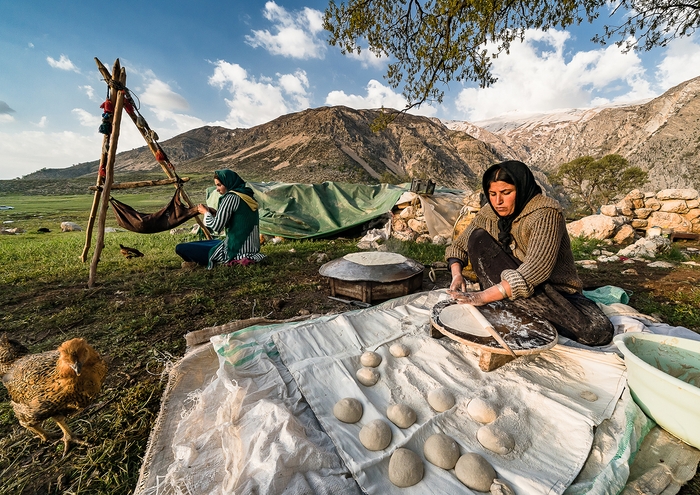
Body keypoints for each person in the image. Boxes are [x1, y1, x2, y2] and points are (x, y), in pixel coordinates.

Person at [445, 160, 613, 346]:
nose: (497, 201)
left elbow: (535, 270)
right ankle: (505, 302)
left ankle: (503, 302)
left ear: (522, 189)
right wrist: (457, 275)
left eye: (506, 193)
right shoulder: (490, 212)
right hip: (508, 282)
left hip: (550, 290)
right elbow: (459, 245)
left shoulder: (545, 213)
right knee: (478, 238)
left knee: (597, 332)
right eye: (492, 194)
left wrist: (482, 297)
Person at [176, 169, 265, 269]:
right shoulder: (247, 195)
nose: (217, 189)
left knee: (181, 248)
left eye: (219, 185)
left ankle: (199, 260)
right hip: (252, 249)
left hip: (235, 251)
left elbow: (216, 227)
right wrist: (216, 213)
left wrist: (206, 212)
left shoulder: (231, 197)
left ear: (228, 183)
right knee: (210, 242)